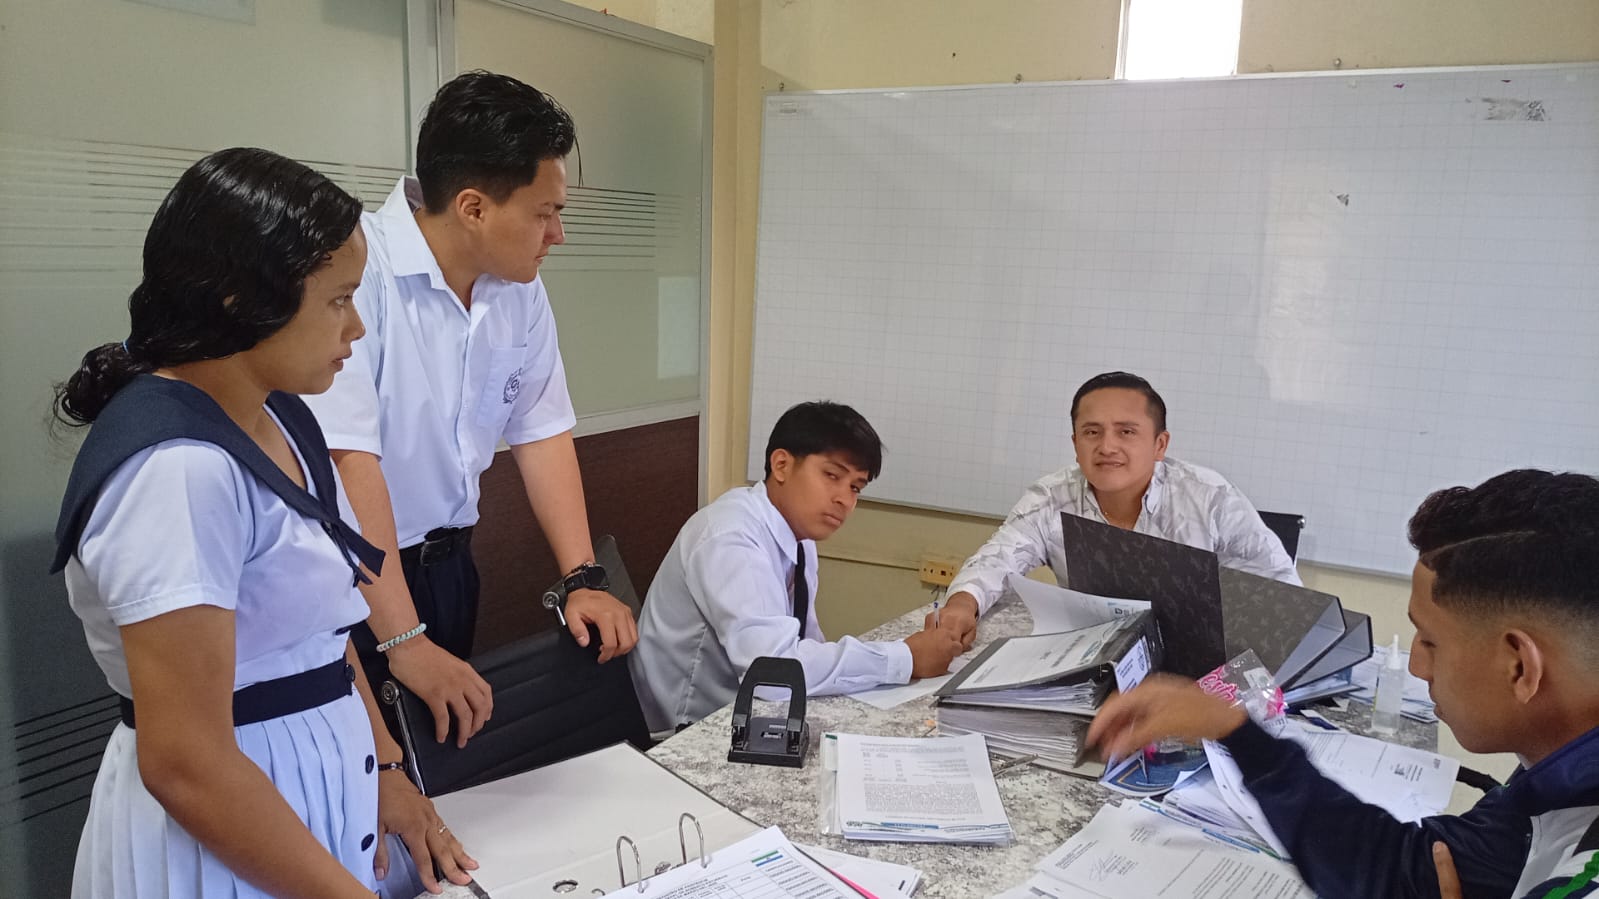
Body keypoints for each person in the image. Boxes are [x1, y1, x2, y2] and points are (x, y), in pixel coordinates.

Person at [50, 148, 474, 897]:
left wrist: (385, 767)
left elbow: (323, 631)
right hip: (219, 842)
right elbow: (187, 764)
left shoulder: (284, 419)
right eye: (339, 300)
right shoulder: (176, 471)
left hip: (311, 808)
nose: (357, 328)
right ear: (240, 300)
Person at [302, 71, 638, 747]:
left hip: (450, 565)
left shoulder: (518, 288)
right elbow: (347, 460)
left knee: (439, 758)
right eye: (544, 213)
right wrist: (402, 638)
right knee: (367, 768)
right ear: (474, 208)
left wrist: (581, 578)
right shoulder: (358, 269)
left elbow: (541, 429)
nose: (557, 234)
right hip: (355, 573)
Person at [1088, 469, 1599, 899]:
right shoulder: (1558, 780)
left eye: (1430, 641)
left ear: (1519, 667)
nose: (1418, 668)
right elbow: (1401, 867)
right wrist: (1236, 732)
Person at [630, 401, 964, 733]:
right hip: (679, 733)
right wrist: (904, 659)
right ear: (781, 465)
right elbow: (772, 675)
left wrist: (899, 659)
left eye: (855, 487)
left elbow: (806, 646)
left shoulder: (799, 539)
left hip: (748, 715)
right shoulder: (731, 536)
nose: (845, 500)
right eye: (832, 476)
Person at [933, 371, 1299, 648]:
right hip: (1094, 652)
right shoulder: (1051, 496)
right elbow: (997, 558)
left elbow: (1284, 597)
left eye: (1126, 432)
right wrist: (962, 605)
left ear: (1159, 444)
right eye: (1092, 432)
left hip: (1198, 662)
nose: (1107, 447)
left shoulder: (1210, 497)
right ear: (1075, 443)